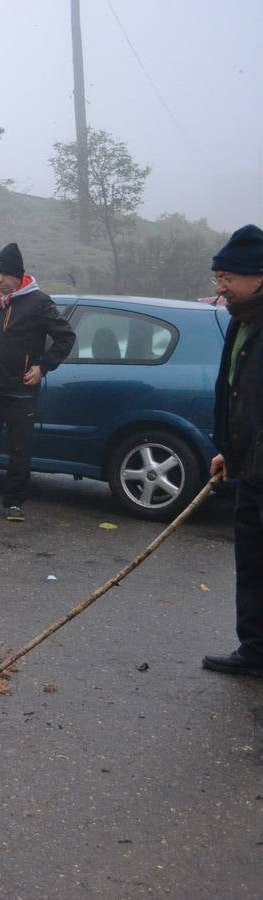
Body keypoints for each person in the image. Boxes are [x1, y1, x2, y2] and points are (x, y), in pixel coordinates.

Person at [0, 242, 75, 523]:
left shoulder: (39, 302)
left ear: (19, 275)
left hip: (21, 391)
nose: (0, 281)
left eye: (6, 275)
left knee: (20, 449)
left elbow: (65, 337)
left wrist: (42, 367)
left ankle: (14, 503)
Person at [203, 224, 263, 677]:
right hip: (251, 473)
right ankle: (254, 649)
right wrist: (230, 450)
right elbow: (235, 394)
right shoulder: (240, 323)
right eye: (217, 277)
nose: (220, 287)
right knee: (252, 563)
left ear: (258, 275)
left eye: (227, 278)